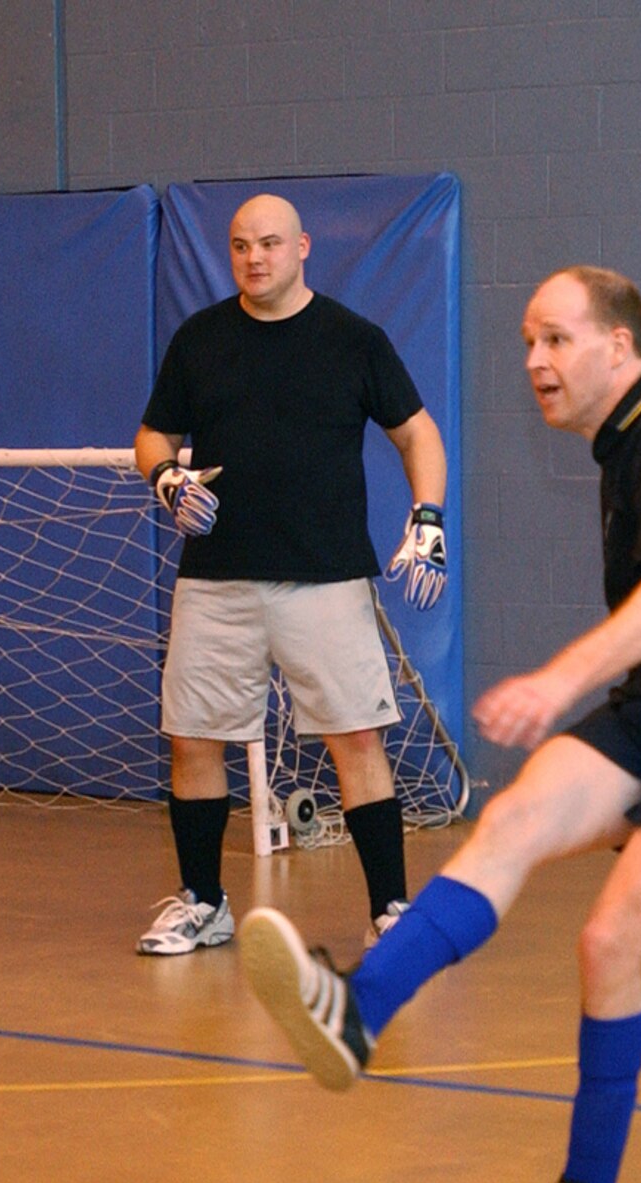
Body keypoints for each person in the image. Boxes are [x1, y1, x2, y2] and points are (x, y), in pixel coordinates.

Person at [239, 266, 641, 1183]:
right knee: (511, 820)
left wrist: (556, 682)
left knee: (607, 938)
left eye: (555, 340)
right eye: (525, 341)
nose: (532, 362)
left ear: (618, 345)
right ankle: (359, 1010)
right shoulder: (625, 447)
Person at [134, 192, 449, 956]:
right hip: (217, 581)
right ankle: (205, 904)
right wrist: (166, 481)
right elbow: (152, 436)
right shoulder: (199, 340)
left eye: (271, 243)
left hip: (325, 578)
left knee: (356, 741)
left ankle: (391, 913)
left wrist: (429, 516)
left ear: (303, 246)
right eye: (242, 245)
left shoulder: (353, 340)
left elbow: (418, 433)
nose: (255, 258)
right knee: (195, 741)